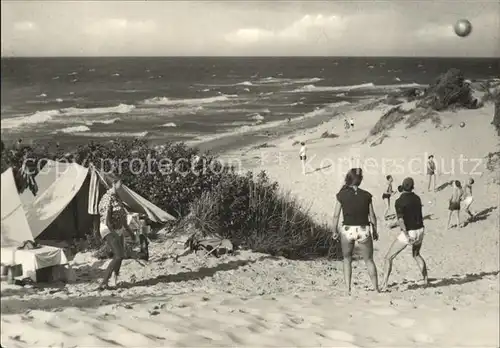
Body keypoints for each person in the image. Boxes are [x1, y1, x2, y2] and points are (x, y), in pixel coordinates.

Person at [332, 168, 379, 294]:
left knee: (347, 259)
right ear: (360, 180)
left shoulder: (341, 195)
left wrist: (334, 230)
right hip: (364, 228)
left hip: (348, 229)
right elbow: (372, 216)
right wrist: (375, 230)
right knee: (369, 260)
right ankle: (375, 288)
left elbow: (336, 215)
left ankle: (348, 289)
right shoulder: (367, 195)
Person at [380, 177, 428, 290]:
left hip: (409, 232)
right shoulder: (417, 198)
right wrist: (394, 225)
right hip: (420, 230)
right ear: (412, 187)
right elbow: (411, 216)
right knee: (416, 255)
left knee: (388, 257)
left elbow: (402, 220)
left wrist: (406, 235)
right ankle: (426, 280)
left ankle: (384, 284)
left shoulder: (399, 202)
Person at [97, 179, 136, 290]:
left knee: (120, 255)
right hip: (107, 229)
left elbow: (122, 217)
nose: (122, 185)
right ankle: (104, 282)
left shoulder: (117, 197)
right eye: (120, 183)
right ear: (113, 184)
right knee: (118, 255)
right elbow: (107, 221)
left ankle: (115, 279)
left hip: (117, 229)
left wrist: (130, 232)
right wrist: (114, 233)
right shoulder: (107, 198)